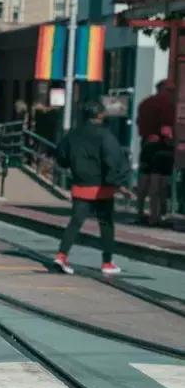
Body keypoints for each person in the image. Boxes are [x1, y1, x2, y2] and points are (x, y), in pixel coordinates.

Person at [53, 99, 133, 276]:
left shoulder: (73, 134)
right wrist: (119, 184)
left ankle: (61, 254)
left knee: (75, 222)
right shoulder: (105, 135)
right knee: (106, 224)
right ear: (101, 114)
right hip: (102, 186)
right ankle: (107, 262)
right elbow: (113, 160)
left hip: (80, 184)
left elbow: (62, 156)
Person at [135, 79, 176, 225]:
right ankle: (156, 215)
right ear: (163, 89)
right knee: (159, 182)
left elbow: (138, 123)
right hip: (161, 145)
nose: (173, 93)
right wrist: (174, 141)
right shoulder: (167, 104)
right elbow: (166, 129)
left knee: (144, 178)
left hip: (146, 143)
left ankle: (139, 211)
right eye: (170, 90)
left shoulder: (145, 103)